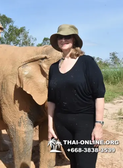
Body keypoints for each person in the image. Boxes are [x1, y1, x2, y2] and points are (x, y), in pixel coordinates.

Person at [47, 24, 105, 168]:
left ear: (74, 40)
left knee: (85, 164)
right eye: (60, 37)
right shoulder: (54, 68)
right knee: (74, 163)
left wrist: (98, 125)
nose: (63, 40)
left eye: (67, 37)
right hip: (62, 125)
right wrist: (50, 126)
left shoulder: (87, 62)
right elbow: (51, 100)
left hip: (85, 123)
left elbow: (99, 95)